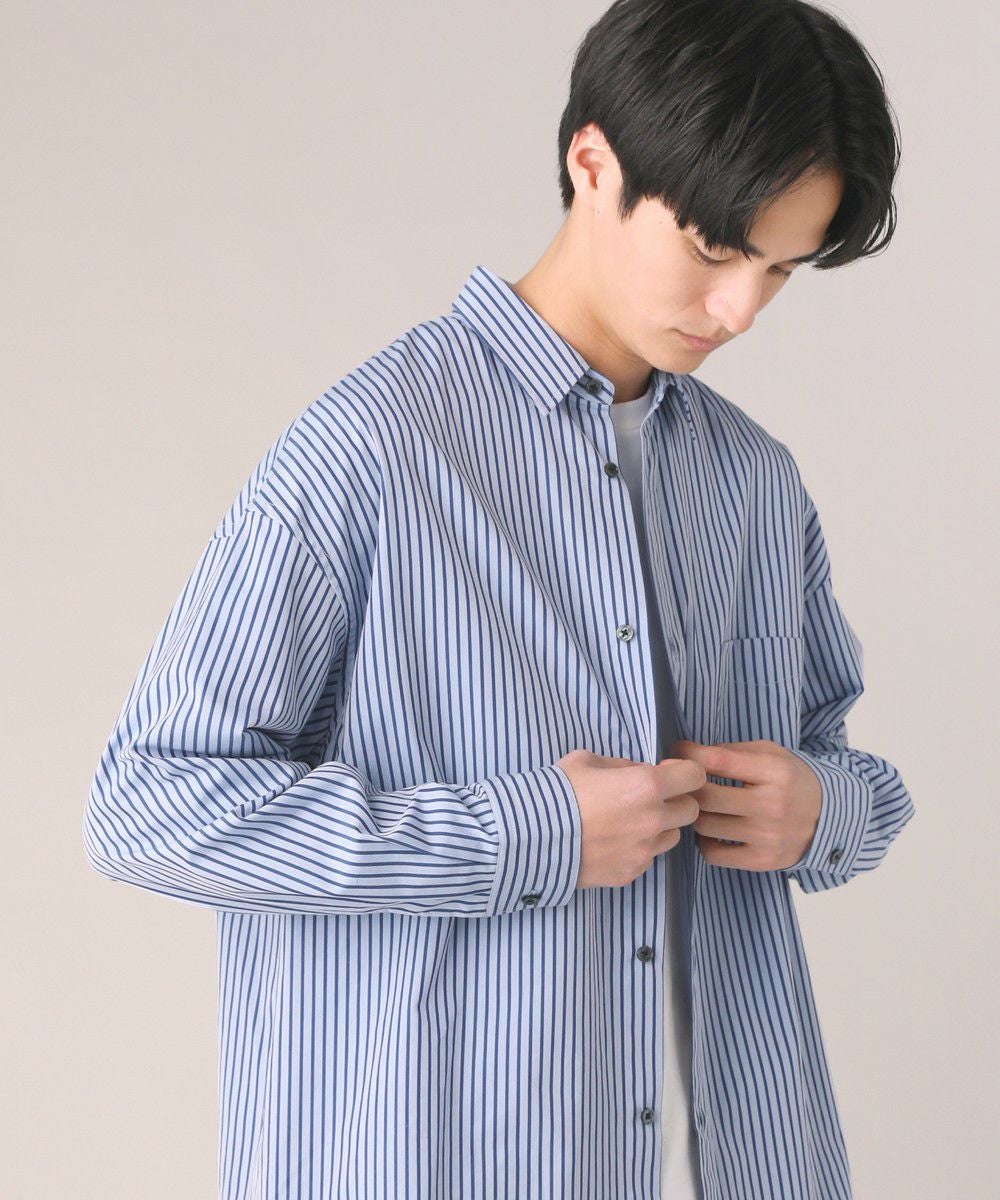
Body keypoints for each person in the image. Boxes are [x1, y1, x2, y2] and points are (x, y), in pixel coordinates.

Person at [83, 1, 915, 1197]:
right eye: (715, 249)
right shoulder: (373, 446)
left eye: (780, 269)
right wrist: (522, 834)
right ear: (594, 164)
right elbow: (148, 803)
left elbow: (838, 762)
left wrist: (822, 808)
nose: (739, 310)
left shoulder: (753, 480)